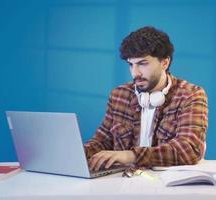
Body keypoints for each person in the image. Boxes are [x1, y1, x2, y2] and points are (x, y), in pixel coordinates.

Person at [84, 26, 208, 171]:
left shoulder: (190, 95)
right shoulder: (119, 95)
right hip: (123, 182)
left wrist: (131, 156)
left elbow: (189, 149)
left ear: (165, 63)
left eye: (142, 64)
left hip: (169, 186)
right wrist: (77, 153)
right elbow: (102, 141)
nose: (135, 73)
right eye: (131, 64)